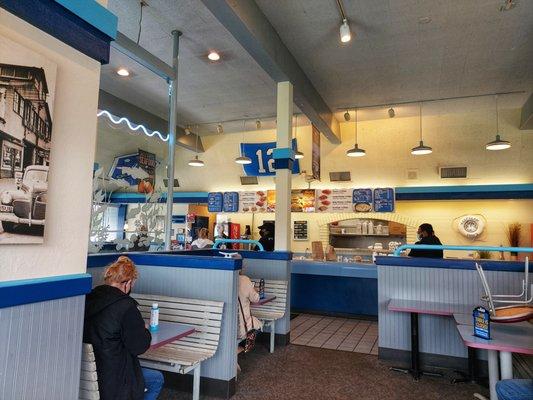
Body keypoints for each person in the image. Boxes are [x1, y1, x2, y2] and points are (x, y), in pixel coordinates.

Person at [83, 256, 164, 400]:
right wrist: (144, 329)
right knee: (156, 379)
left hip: (86, 377)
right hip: (116, 380)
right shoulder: (126, 307)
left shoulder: (88, 299)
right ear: (127, 283)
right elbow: (139, 347)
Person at [238, 270, 263, 342]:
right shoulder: (244, 280)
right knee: (259, 324)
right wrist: (254, 290)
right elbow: (255, 299)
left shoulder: (220, 278)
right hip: (242, 326)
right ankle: (244, 345)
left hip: (222, 327)